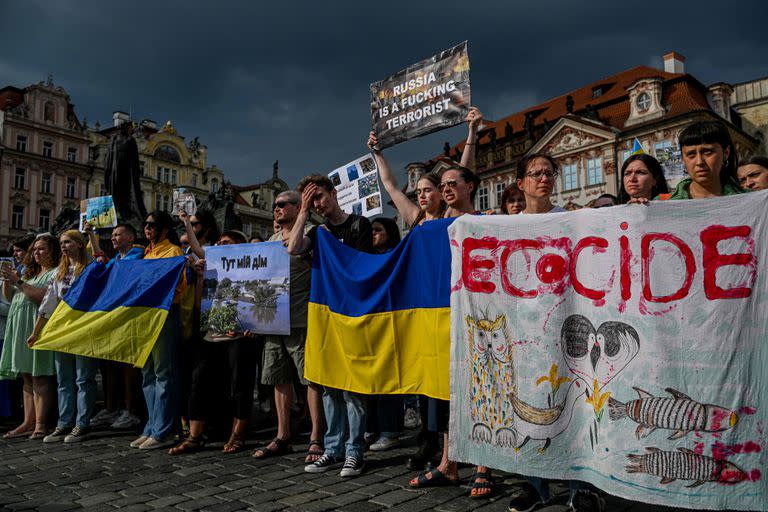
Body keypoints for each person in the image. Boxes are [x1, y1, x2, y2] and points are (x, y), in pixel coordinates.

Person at [508, 153, 604, 511]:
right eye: (535, 173)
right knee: (529, 407)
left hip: (566, 322)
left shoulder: (571, 220)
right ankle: (535, 484)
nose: (543, 179)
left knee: (573, 406)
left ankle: (582, 486)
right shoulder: (506, 225)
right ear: (521, 183)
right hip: (525, 328)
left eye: (549, 173)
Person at [288, 174, 373, 478]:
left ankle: (355, 451)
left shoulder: (359, 225)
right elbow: (293, 248)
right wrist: (302, 213)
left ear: (334, 193)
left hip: (351, 314)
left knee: (352, 387)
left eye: (319, 198)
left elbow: (360, 267)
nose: (318, 205)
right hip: (324, 314)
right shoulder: (318, 231)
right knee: (328, 386)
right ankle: (333, 448)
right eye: (312, 201)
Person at [169, 230, 260, 455]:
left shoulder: (253, 269)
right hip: (213, 334)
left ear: (240, 246)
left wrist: (253, 325)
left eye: (225, 242)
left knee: (241, 383)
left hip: (240, 336)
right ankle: (195, 436)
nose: (219, 244)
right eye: (218, 241)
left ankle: (238, 434)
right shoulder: (214, 269)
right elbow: (202, 306)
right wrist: (201, 278)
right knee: (198, 379)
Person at [252, 190, 325, 463]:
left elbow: (298, 248)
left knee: (309, 379)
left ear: (298, 206)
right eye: (275, 206)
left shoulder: (312, 230)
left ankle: (317, 436)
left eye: (282, 205)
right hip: (273, 320)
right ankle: (283, 436)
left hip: (300, 318)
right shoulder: (271, 239)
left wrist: (305, 213)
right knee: (278, 377)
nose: (276, 209)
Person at [27, 231, 96, 443]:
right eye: (61, 243)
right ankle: (64, 422)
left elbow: (100, 258)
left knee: (83, 378)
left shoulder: (90, 268)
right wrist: (36, 331)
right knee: (64, 379)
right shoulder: (60, 272)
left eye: (68, 242)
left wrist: (92, 234)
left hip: (83, 330)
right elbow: (48, 304)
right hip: (61, 332)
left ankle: (82, 423)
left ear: (79, 244)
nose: (64, 246)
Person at [368, 107, 481, 228]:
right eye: (418, 192)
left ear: (441, 194)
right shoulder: (416, 218)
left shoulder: (449, 214)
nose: (421, 196)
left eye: (427, 190)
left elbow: (464, 172)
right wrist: (377, 152)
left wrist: (472, 131)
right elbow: (391, 187)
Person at [130, 211, 185, 450]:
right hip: (145, 315)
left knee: (164, 372)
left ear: (164, 229)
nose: (147, 228)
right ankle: (151, 426)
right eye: (145, 224)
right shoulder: (146, 252)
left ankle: (162, 429)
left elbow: (179, 286)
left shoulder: (173, 251)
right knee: (148, 373)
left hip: (164, 314)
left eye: (152, 224)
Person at [0, 235, 60, 439]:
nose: (36, 253)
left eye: (41, 249)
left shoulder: (55, 272)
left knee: (40, 375)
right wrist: (9, 281)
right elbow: (10, 298)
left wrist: (18, 281)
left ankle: (41, 423)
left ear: (52, 250)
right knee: (27, 376)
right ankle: (27, 421)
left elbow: (44, 297)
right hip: (19, 327)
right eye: (34, 249)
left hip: (37, 327)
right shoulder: (30, 273)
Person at [366, 217, 404, 452]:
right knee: (370, 377)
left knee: (389, 379)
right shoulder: (366, 256)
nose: (373, 234)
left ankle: (390, 431)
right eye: (371, 230)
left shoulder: (396, 254)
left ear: (389, 233)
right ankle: (372, 427)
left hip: (391, 322)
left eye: (378, 230)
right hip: (371, 322)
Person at [661, 120, 743, 200]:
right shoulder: (661, 204)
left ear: (726, 153)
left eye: (708, 152)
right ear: (683, 159)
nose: (699, 162)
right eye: (691, 154)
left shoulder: (749, 200)